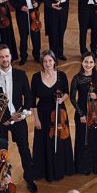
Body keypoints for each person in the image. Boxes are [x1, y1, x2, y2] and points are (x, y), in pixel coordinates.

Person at [0, 45, 37, 193]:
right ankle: (4, 178)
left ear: (11, 57)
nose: (4, 59)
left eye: (7, 56)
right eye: (1, 57)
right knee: (1, 151)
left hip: (18, 119)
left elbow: (29, 98)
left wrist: (22, 115)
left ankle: (29, 178)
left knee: (24, 149)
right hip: (0, 122)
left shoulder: (21, 75)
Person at [30, 50, 74, 181]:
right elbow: (32, 101)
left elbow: (67, 92)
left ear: (54, 61)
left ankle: (61, 168)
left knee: (60, 140)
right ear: (42, 63)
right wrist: (36, 119)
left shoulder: (62, 75)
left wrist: (62, 99)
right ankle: (45, 170)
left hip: (58, 113)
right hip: (43, 114)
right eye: (45, 61)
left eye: (50, 60)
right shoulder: (36, 77)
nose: (48, 63)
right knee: (44, 141)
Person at [69, 52, 97, 175]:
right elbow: (72, 98)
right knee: (83, 138)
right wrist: (81, 114)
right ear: (82, 62)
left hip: (96, 112)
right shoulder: (77, 78)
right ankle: (84, 166)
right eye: (86, 62)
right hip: (82, 112)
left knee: (96, 137)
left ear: (94, 63)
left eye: (91, 62)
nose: (88, 64)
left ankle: (96, 165)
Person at [7, 0, 39, 65]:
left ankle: (37, 55)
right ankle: (23, 57)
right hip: (22, 13)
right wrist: (20, 7)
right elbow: (12, 0)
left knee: (36, 35)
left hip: (34, 13)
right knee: (23, 36)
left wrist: (38, 2)